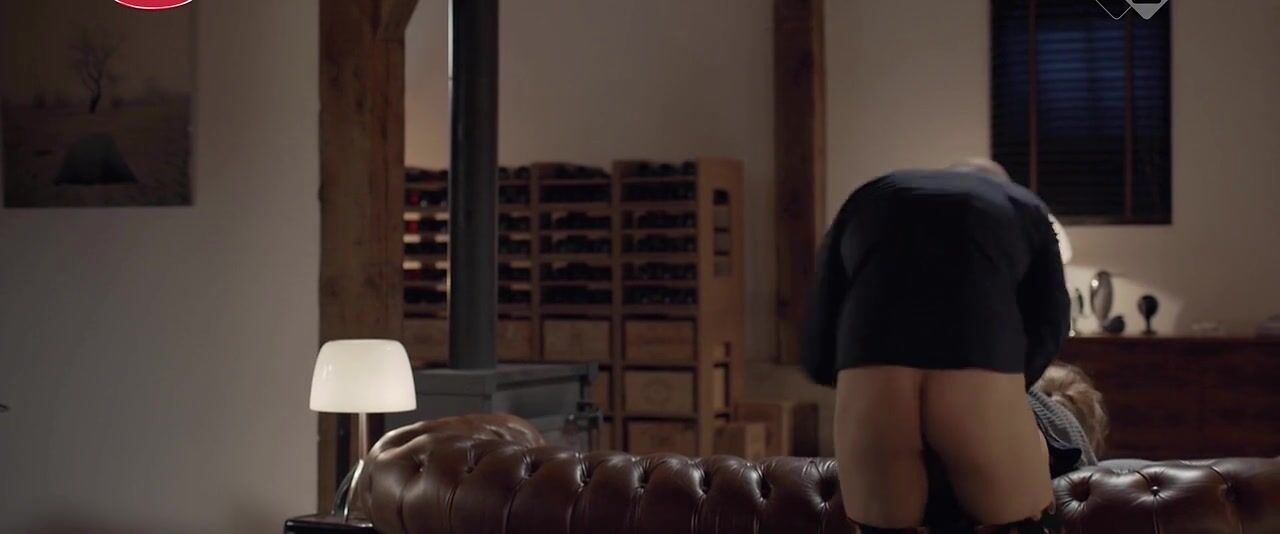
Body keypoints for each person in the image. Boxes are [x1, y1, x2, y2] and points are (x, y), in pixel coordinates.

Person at [803, 158, 1070, 533]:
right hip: (977, 372)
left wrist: (846, 381)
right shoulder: (1024, 206)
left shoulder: (868, 197)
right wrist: (1012, 387)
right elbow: (1051, 322)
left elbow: (820, 321)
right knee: (1020, 525)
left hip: (874, 376)